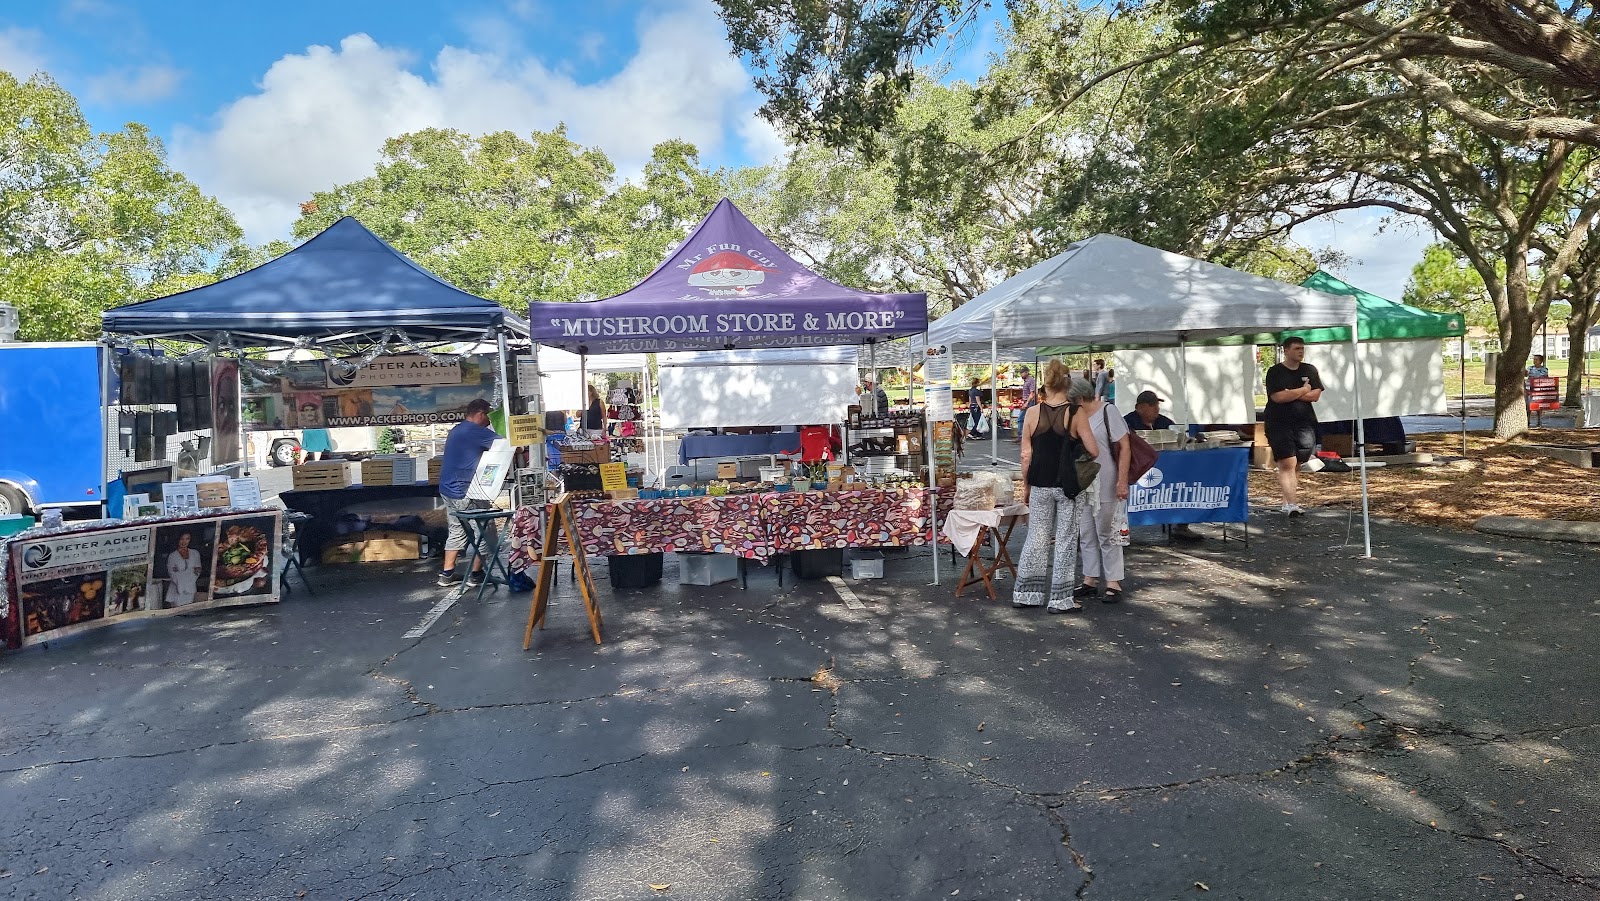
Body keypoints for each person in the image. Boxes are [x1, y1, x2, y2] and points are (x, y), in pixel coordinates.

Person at [1014, 363, 1097, 613]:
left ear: (1045, 385)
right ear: (1067, 384)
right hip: (1068, 484)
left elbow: (1025, 455)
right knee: (1066, 539)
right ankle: (1060, 599)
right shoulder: (1076, 413)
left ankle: (1027, 593)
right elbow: (1094, 450)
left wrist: (1026, 485)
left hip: (1039, 482)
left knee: (1036, 537)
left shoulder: (1031, 413)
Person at [1073, 376, 1131, 602]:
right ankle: (1090, 578)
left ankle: (1114, 581)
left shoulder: (1108, 411)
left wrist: (1122, 480)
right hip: (1084, 481)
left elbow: (1124, 447)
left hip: (1107, 479)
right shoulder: (1076, 416)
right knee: (1086, 532)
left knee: (1107, 531)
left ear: (1079, 398)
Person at [437, 398, 499, 588]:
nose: (489, 422)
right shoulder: (475, 432)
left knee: (457, 529)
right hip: (467, 491)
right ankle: (477, 573)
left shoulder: (457, 429)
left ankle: (446, 573)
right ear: (481, 414)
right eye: (488, 416)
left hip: (448, 489)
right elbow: (508, 446)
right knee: (485, 530)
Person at [1264, 336, 1324, 516]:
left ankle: (1287, 500)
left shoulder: (1310, 370)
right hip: (1279, 422)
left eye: (1302, 349)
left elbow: (1315, 395)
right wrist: (1303, 390)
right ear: (1286, 350)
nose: (1300, 351)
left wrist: (1293, 393)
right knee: (1287, 462)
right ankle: (1292, 504)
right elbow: (1277, 397)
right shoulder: (1275, 372)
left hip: (1304, 422)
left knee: (1298, 461)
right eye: (1297, 348)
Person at [166, 531, 201, 606]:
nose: (184, 542)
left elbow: (198, 570)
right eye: (182, 539)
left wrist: (181, 573)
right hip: (176, 590)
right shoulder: (172, 556)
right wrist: (189, 572)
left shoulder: (195, 553)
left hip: (191, 588)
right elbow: (172, 574)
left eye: (187, 539)